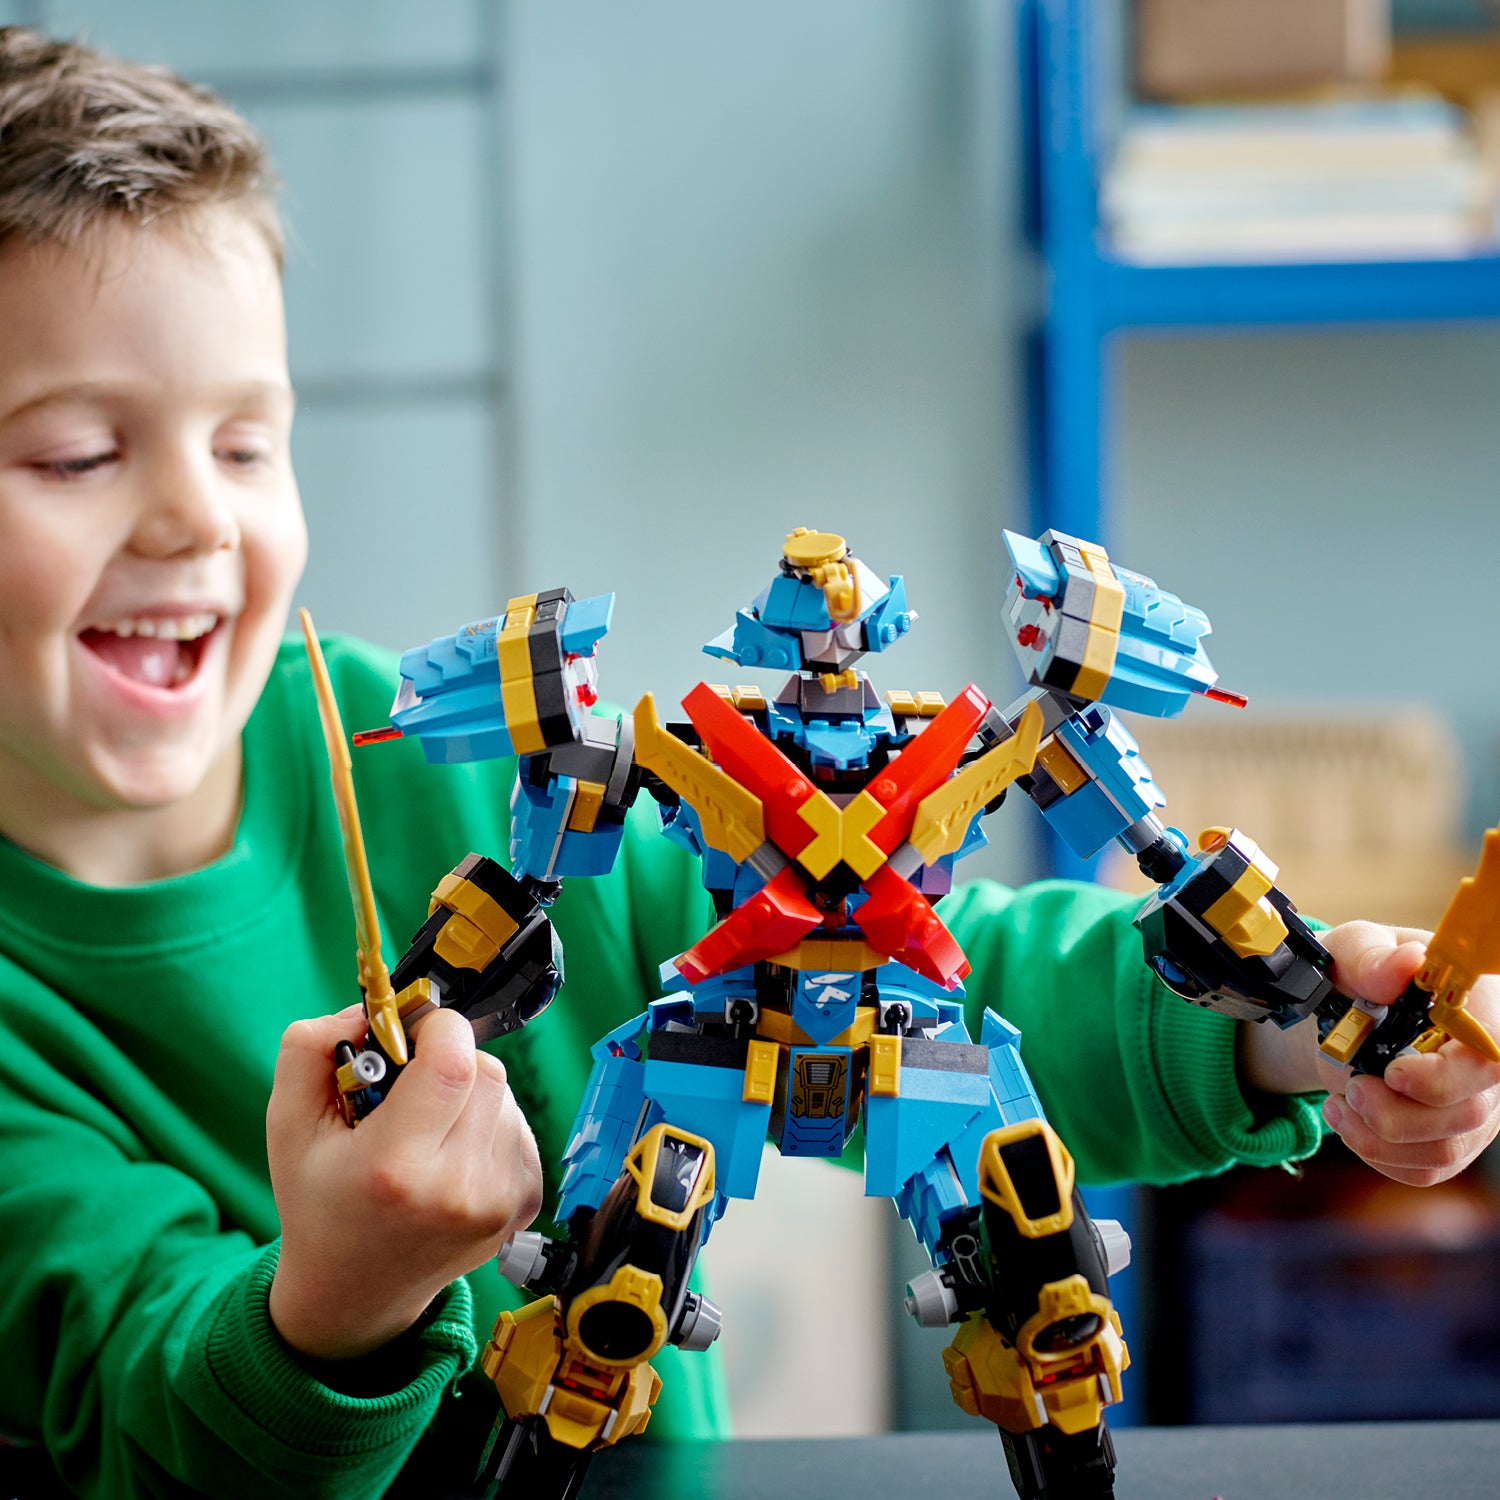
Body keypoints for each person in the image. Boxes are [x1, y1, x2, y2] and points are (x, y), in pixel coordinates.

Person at [0, 25, 1495, 1500]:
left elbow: (980, 976)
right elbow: (135, 1406)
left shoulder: (450, 755)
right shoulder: (466, 783)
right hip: (605, 1165)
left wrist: (1291, 1025)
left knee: (1034, 1256)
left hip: (817, 1096)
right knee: (610, 1289)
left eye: (247, 445)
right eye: (75, 453)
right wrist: (339, 1303)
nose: (197, 519)